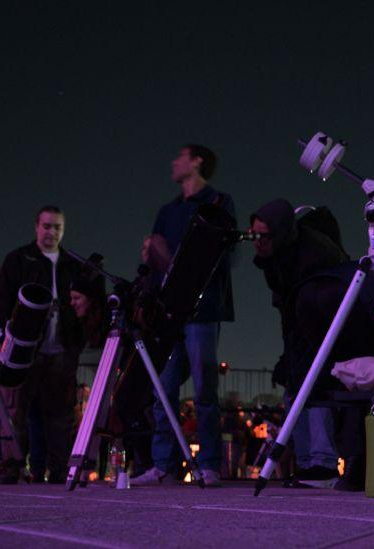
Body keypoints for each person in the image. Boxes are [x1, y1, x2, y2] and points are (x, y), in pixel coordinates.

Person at [134, 144, 235, 487]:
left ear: (197, 162)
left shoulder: (219, 202)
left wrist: (168, 256)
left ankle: (209, 464)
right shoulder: (168, 210)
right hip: (167, 312)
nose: (173, 161)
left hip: (202, 310)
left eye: (180, 156)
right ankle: (164, 464)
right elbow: (154, 261)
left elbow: (224, 253)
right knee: (163, 389)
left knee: (205, 389)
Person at [250, 199, 348, 488]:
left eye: (263, 236)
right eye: (253, 236)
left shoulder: (311, 254)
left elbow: (312, 306)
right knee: (296, 389)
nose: (257, 243)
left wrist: (299, 354)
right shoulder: (278, 255)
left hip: (322, 326)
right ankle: (308, 465)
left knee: (314, 388)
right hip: (301, 325)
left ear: (280, 233)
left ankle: (323, 464)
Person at [0, 205, 84, 483]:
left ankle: (58, 471)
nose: (51, 232)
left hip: (62, 349)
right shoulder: (18, 260)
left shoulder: (74, 264)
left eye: (57, 227)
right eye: (46, 226)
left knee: (60, 414)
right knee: (15, 410)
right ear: (36, 227)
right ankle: (11, 467)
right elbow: (1, 302)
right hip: (25, 350)